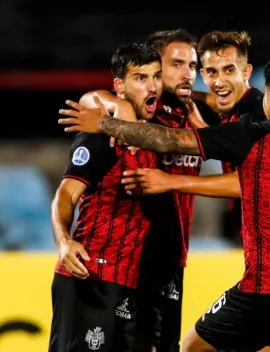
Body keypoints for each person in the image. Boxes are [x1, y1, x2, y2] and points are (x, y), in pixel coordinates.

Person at [58, 55, 270, 351]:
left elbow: (169, 140)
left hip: (266, 288)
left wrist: (107, 124)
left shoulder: (255, 135)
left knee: (192, 347)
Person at [79, 29, 219, 352]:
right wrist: (115, 104)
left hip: (174, 258)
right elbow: (89, 98)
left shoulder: (192, 118)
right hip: (134, 258)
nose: (188, 74)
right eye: (176, 65)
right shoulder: (144, 112)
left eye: (193, 66)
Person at [49, 42, 162, 352]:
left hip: (129, 285)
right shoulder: (100, 136)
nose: (152, 86)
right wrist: (63, 241)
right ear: (120, 86)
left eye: (157, 76)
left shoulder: (157, 134)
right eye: (141, 78)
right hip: (91, 276)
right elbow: (66, 193)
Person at [122, 30, 266, 246]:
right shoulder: (139, 110)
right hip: (136, 250)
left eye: (228, 70)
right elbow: (95, 100)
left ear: (246, 72)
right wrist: (117, 106)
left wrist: (169, 181)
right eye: (211, 72)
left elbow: (250, 183)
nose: (219, 81)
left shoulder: (254, 116)